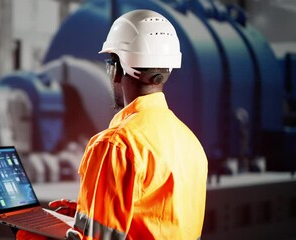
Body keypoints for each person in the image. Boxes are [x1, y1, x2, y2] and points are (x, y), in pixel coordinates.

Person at [16, 9, 208, 240]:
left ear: (117, 70)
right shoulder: (190, 141)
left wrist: (30, 233)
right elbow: (152, 218)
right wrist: (84, 213)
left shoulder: (116, 144)